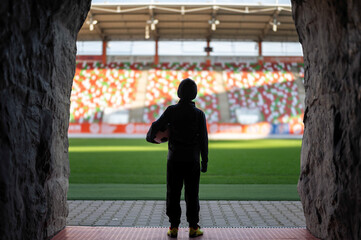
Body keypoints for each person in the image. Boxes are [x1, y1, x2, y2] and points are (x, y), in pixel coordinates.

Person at [146, 78, 208, 238]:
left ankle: (173, 227)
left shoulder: (171, 110)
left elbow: (155, 126)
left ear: (179, 92)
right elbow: (204, 140)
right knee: (192, 194)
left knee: (173, 192)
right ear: (194, 94)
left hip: (174, 159)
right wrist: (205, 161)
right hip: (193, 160)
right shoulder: (199, 114)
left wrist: (152, 138)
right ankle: (194, 228)